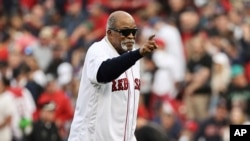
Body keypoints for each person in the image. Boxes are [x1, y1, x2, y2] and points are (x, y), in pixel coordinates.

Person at [68, 10, 158, 141]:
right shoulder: (97, 50)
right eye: (125, 32)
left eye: (134, 32)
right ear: (109, 33)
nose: (131, 36)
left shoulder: (134, 56)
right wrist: (137, 54)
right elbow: (104, 73)